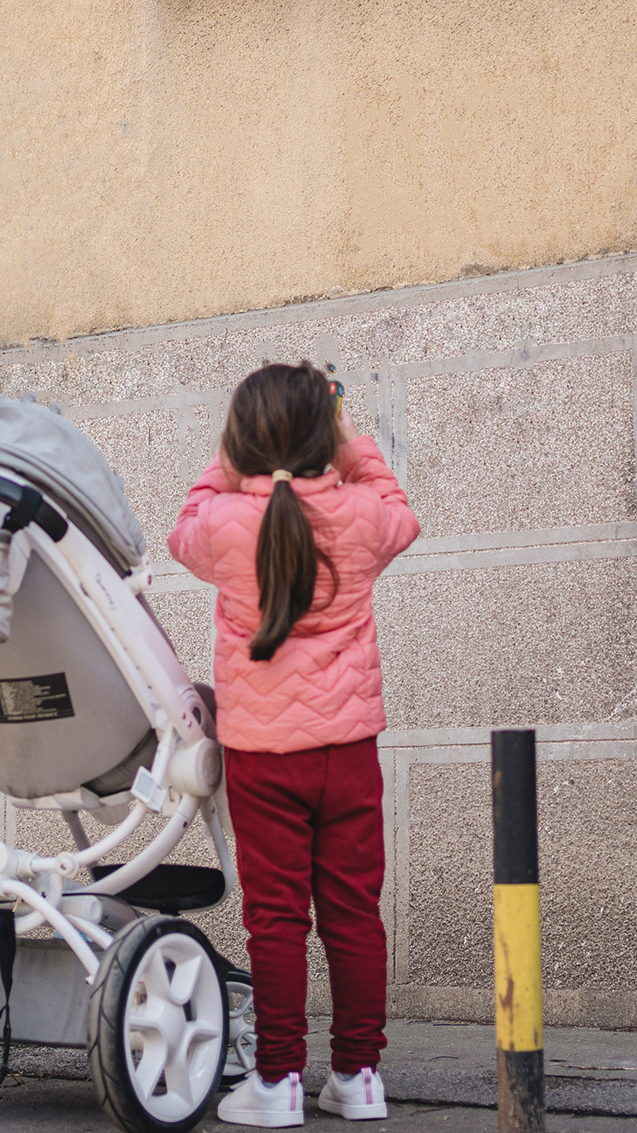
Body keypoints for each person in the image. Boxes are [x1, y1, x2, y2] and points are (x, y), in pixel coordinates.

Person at [168, 363, 420, 1127]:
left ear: (240, 441)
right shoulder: (361, 511)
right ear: (328, 439)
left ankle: (276, 1083)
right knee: (353, 913)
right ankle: (359, 1076)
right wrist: (345, 441)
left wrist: (232, 457)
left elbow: (187, 521)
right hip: (347, 751)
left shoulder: (222, 525)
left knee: (274, 918)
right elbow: (401, 511)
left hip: (260, 755)